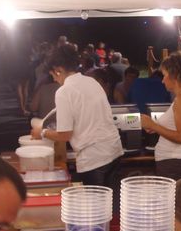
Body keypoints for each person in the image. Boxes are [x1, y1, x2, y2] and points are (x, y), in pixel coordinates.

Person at [31, 45, 123, 189]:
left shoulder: (64, 92)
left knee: (97, 203)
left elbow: (65, 135)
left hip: (93, 159)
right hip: (114, 150)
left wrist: (42, 132)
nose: (54, 79)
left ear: (58, 70)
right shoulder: (92, 82)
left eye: (53, 75)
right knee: (113, 201)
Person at [140, 51, 181, 180]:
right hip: (175, 162)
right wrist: (155, 127)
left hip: (175, 164)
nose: (162, 80)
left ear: (175, 75)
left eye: (164, 75)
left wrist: (153, 125)